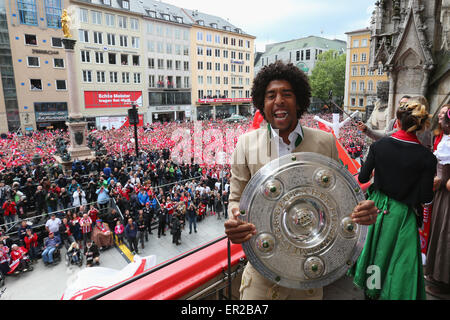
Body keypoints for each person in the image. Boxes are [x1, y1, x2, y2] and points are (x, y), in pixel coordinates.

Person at [224, 61, 378, 300]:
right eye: (270, 95)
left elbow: (341, 200)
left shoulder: (324, 142)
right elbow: (235, 198)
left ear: (299, 101)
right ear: (261, 104)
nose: (278, 101)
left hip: (309, 277)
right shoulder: (246, 144)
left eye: (287, 94)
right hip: (261, 279)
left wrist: (362, 213)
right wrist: (235, 218)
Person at [349, 100, 437, 300]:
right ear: (422, 126)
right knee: (396, 264)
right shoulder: (427, 157)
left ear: (397, 121)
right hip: (402, 216)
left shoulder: (380, 146)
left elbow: (363, 178)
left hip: (376, 209)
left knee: (375, 257)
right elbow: (425, 197)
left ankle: (371, 292)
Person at [424, 107, 450, 298]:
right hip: (440, 196)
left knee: (445, 235)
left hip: (446, 197)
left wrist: (443, 181)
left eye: (443, 116)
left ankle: (442, 281)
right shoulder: (444, 140)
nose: (439, 118)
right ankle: (436, 276)